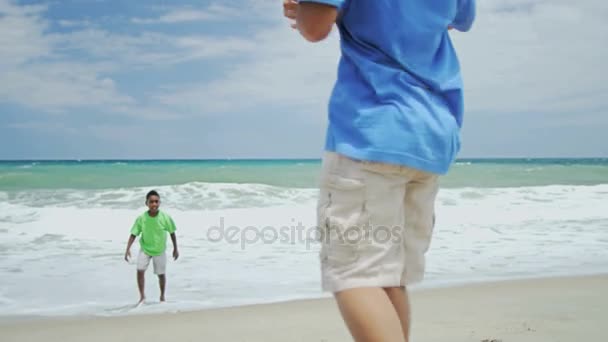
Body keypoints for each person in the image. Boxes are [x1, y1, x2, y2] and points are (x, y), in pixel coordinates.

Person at [283, 1, 475, 341]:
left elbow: (315, 27)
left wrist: (302, 11)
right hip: (431, 134)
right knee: (388, 276)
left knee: (354, 274)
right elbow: (449, 21)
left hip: (374, 129)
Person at [124, 190, 179, 304]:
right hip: (145, 249)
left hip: (159, 250)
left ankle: (162, 296)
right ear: (147, 203)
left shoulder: (165, 217)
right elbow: (134, 234)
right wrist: (127, 249)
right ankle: (142, 297)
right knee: (140, 271)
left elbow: (172, 233)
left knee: (161, 275)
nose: (154, 204)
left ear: (159, 203)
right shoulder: (142, 218)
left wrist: (175, 248)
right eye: (151, 202)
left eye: (156, 202)